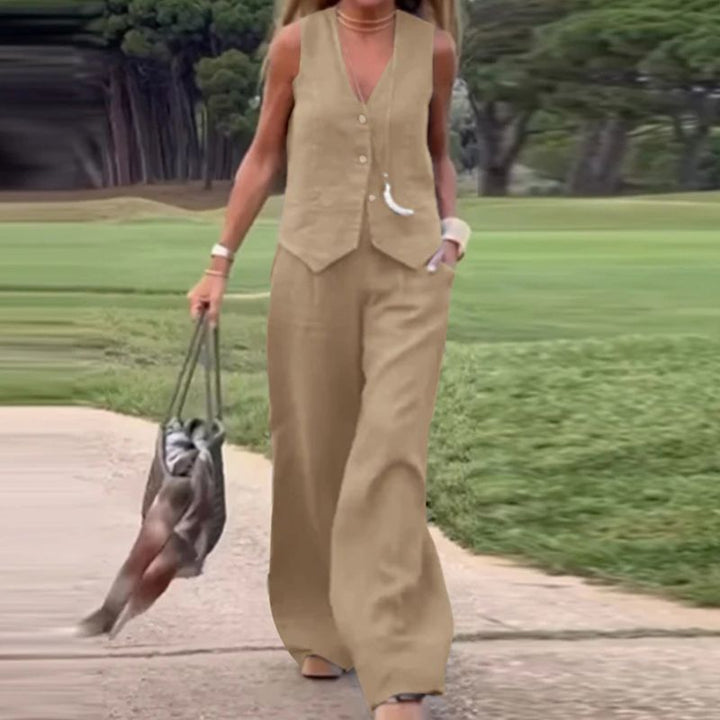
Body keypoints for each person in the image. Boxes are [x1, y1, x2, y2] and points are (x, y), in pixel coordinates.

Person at [187, 1, 471, 717]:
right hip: (310, 270)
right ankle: (322, 624)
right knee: (314, 452)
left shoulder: (433, 50)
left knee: (390, 455)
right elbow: (264, 154)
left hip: (411, 276)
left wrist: (453, 233)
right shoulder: (295, 46)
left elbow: (438, 151)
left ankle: (398, 660)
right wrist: (219, 263)